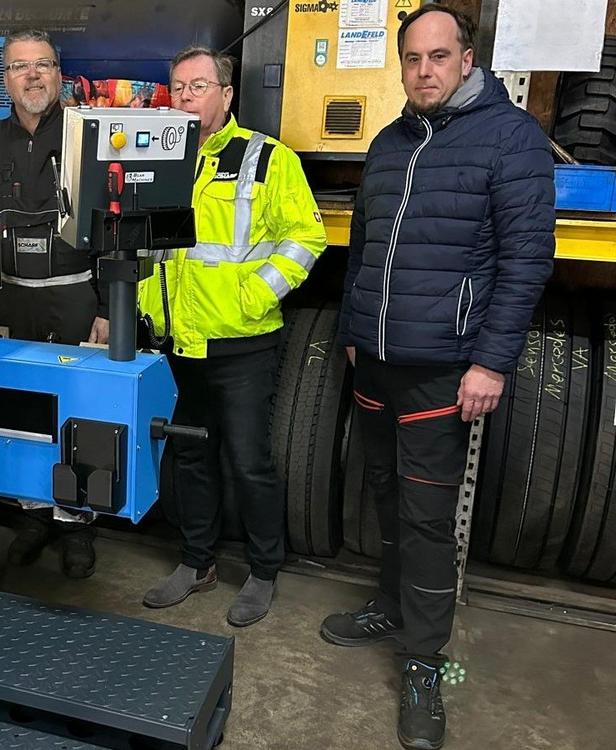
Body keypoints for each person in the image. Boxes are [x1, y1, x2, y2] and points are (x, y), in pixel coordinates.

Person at [322, 6, 555, 749]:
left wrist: (491, 362)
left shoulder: (511, 138)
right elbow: (362, 246)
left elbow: (526, 261)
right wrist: (354, 329)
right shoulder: (389, 142)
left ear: (466, 59)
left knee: (427, 520)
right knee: (385, 495)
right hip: (375, 360)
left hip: (443, 369)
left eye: (438, 56)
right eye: (412, 58)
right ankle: (393, 606)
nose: (424, 70)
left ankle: (424, 664)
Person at [138, 46, 327, 627]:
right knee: (190, 456)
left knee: (248, 462)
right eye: (178, 87)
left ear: (226, 94)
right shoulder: (159, 157)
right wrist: (145, 306)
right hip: (178, 340)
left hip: (241, 342)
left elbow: (305, 238)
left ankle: (264, 570)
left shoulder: (267, 159)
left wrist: (253, 295)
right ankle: (197, 562)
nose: (186, 97)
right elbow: (144, 245)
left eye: (199, 86)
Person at [0, 29, 106, 579]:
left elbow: (115, 227)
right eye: (20, 66)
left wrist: (106, 308)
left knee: (79, 411)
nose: (32, 75)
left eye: (42, 64)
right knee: (20, 410)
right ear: (5, 79)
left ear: (59, 74)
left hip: (75, 298)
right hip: (10, 303)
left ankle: (77, 523)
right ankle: (32, 515)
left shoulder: (90, 136)